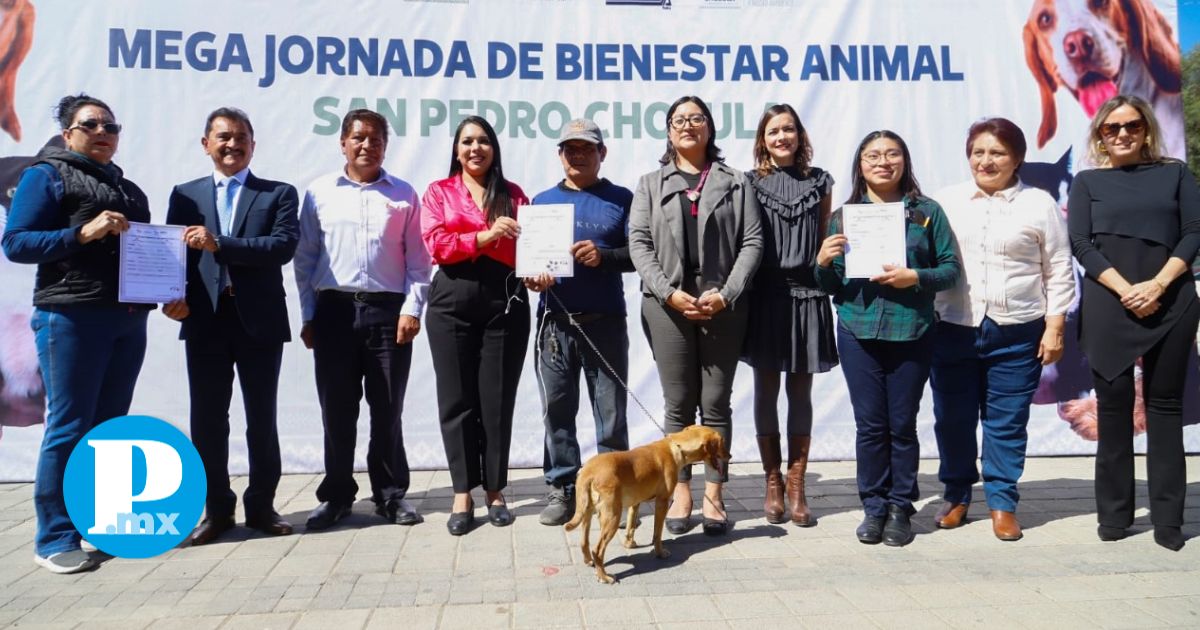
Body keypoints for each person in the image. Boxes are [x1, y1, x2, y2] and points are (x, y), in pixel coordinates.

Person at [2, 94, 150, 573]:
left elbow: (146, 254)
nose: (104, 131)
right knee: (68, 426)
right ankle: (55, 537)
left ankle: (101, 522)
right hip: (70, 316)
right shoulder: (44, 175)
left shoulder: (128, 189)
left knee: (108, 429)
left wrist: (168, 290)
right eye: (92, 124)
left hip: (127, 318)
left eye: (112, 124)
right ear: (69, 133)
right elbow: (17, 242)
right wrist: (80, 234)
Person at [930, 117, 1075, 541]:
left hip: (1018, 331)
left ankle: (1002, 503)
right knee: (953, 420)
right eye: (978, 152)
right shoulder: (947, 202)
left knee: (1006, 422)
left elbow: (1059, 268)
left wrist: (1055, 327)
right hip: (954, 327)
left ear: (1017, 159)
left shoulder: (1040, 204)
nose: (986, 160)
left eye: (997, 153)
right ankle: (956, 495)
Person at [1068, 95, 1200, 552]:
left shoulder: (1176, 173)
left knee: (1164, 410)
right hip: (1110, 304)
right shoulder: (1086, 182)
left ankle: (1168, 520)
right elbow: (1081, 244)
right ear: (1100, 135)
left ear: (1146, 130)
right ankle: (1115, 515)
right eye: (1112, 128)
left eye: (1132, 126)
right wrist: (1126, 289)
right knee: (1113, 409)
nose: (1122, 134)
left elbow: (1194, 232)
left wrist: (1159, 285)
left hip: (1172, 302)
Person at [814, 130, 959, 547]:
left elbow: (951, 270)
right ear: (860, 165)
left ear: (904, 161)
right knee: (870, 426)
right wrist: (822, 262)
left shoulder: (927, 212)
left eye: (891, 154)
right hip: (858, 329)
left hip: (911, 328)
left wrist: (916, 276)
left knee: (902, 424)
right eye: (872, 155)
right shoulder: (844, 216)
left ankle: (900, 507)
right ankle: (873, 507)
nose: (882, 161)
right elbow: (832, 284)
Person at [629, 95, 763, 536]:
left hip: (722, 305)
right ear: (669, 131)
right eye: (679, 120)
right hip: (667, 307)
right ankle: (681, 489)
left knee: (716, 402)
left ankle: (714, 493)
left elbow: (753, 242)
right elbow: (639, 245)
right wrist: (668, 293)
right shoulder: (650, 183)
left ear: (710, 128)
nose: (688, 126)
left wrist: (728, 293)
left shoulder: (736, 181)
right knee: (679, 402)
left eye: (697, 118)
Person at [164, 107, 300, 545]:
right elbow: (173, 258)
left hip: (258, 322)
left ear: (253, 146)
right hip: (204, 323)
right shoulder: (185, 196)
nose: (232, 144)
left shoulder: (277, 193)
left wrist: (219, 243)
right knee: (207, 420)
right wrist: (170, 297)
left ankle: (262, 506)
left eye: (241, 136)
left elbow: (280, 247)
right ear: (206, 144)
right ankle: (216, 509)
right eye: (222, 136)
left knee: (261, 419)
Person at [294, 109, 432, 530]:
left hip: (388, 314)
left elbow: (418, 263)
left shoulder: (404, 194)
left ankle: (390, 496)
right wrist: (308, 315)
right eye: (358, 138)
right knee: (336, 410)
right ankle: (336, 496)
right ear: (342, 143)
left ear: (385, 146)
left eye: (375, 139)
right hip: (333, 312)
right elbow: (305, 260)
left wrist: (412, 310)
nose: (366, 145)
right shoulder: (319, 192)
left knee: (387, 409)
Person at [522, 119, 635, 526]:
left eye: (587, 148)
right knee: (557, 409)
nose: (578, 155)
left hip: (604, 321)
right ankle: (563, 487)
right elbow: (529, 269)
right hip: (554, 322)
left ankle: (613, 488)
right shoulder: (542, 201)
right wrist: (533, 278)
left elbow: (640, 256)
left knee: (610, 413)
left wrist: (605, 257)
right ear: (560, 154)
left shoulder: (622, 199)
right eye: (570, 148)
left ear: (602, 154)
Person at [421, 115, 530, 536]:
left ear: (494, 148)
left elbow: (535, 247)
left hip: (505, 300)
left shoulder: (514, 195)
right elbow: (436, 245)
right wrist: (485, 237)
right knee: (457, 400)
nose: (475, 148)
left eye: (483, 141)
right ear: (456, 149)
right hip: (451, 299)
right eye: (467, 141)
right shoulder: (439, 192)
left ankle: (496, 489)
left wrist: (540, 269)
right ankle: (462, 491)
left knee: (496, 400)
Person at [741, 104, 836, 526]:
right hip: (764, 297)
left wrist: (826, 262)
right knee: (765, 390)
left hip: (808, 295)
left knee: (800, 394)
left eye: (789, 129)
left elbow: (823, 238)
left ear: (800, 135)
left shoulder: (820, 182)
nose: (782, 137)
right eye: (773, 131)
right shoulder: (749, 183)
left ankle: (797, 487)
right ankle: (772, 482)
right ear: (763, 139)